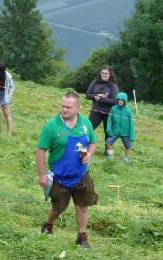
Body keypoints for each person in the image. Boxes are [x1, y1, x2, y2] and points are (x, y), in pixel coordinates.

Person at [36, 92, 97, 248]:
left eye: (68, 107)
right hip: (59, 176)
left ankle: (82, 237)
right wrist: (42, 175)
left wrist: (89, 154)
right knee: (58, 208)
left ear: (78, 107)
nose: (64, 110)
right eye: (62, 106)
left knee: (82, 207)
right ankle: (48, 224)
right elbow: (41, 149)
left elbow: (93, 142)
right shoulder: (52, 125)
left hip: (81, 174)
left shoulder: (86, 124)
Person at [85, 66, 119, 141]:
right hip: (96, 111)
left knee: (108, 133)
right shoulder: (95, 82)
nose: (104, 75)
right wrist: (95, 97)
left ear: (110, 74)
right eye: (102, 73)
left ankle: (108, 151)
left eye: (106, 73)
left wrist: (102, 98)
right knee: (87, 130)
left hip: (108, 113)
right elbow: (87, 95)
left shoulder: (113, 86)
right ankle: (83, 149)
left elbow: (114, 101)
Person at [105, 92, 136, 163]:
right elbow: (109, 120)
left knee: (128, 146)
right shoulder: (113, 109)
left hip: (125, 132)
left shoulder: (128, 111)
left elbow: (131, 124)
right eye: (118, 100)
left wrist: (132, 135)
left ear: (125, 101)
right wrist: (109, 129)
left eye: (122, 100)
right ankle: (111, 156)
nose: (120, 101)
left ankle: (126, 158)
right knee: (108, 143)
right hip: (114, 131)